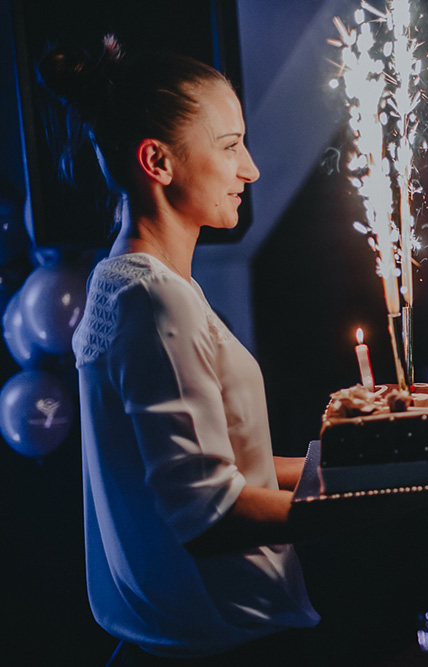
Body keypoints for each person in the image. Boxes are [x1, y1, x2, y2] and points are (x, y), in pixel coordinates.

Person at [39, 37, 324, 663]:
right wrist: (357, 509)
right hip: (216, 646)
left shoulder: (125, 280)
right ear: (157, 161)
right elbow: (212, 515)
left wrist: (351, 467)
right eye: (230, 146)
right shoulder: (153, 298)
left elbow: (223, 467)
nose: (250, 169)